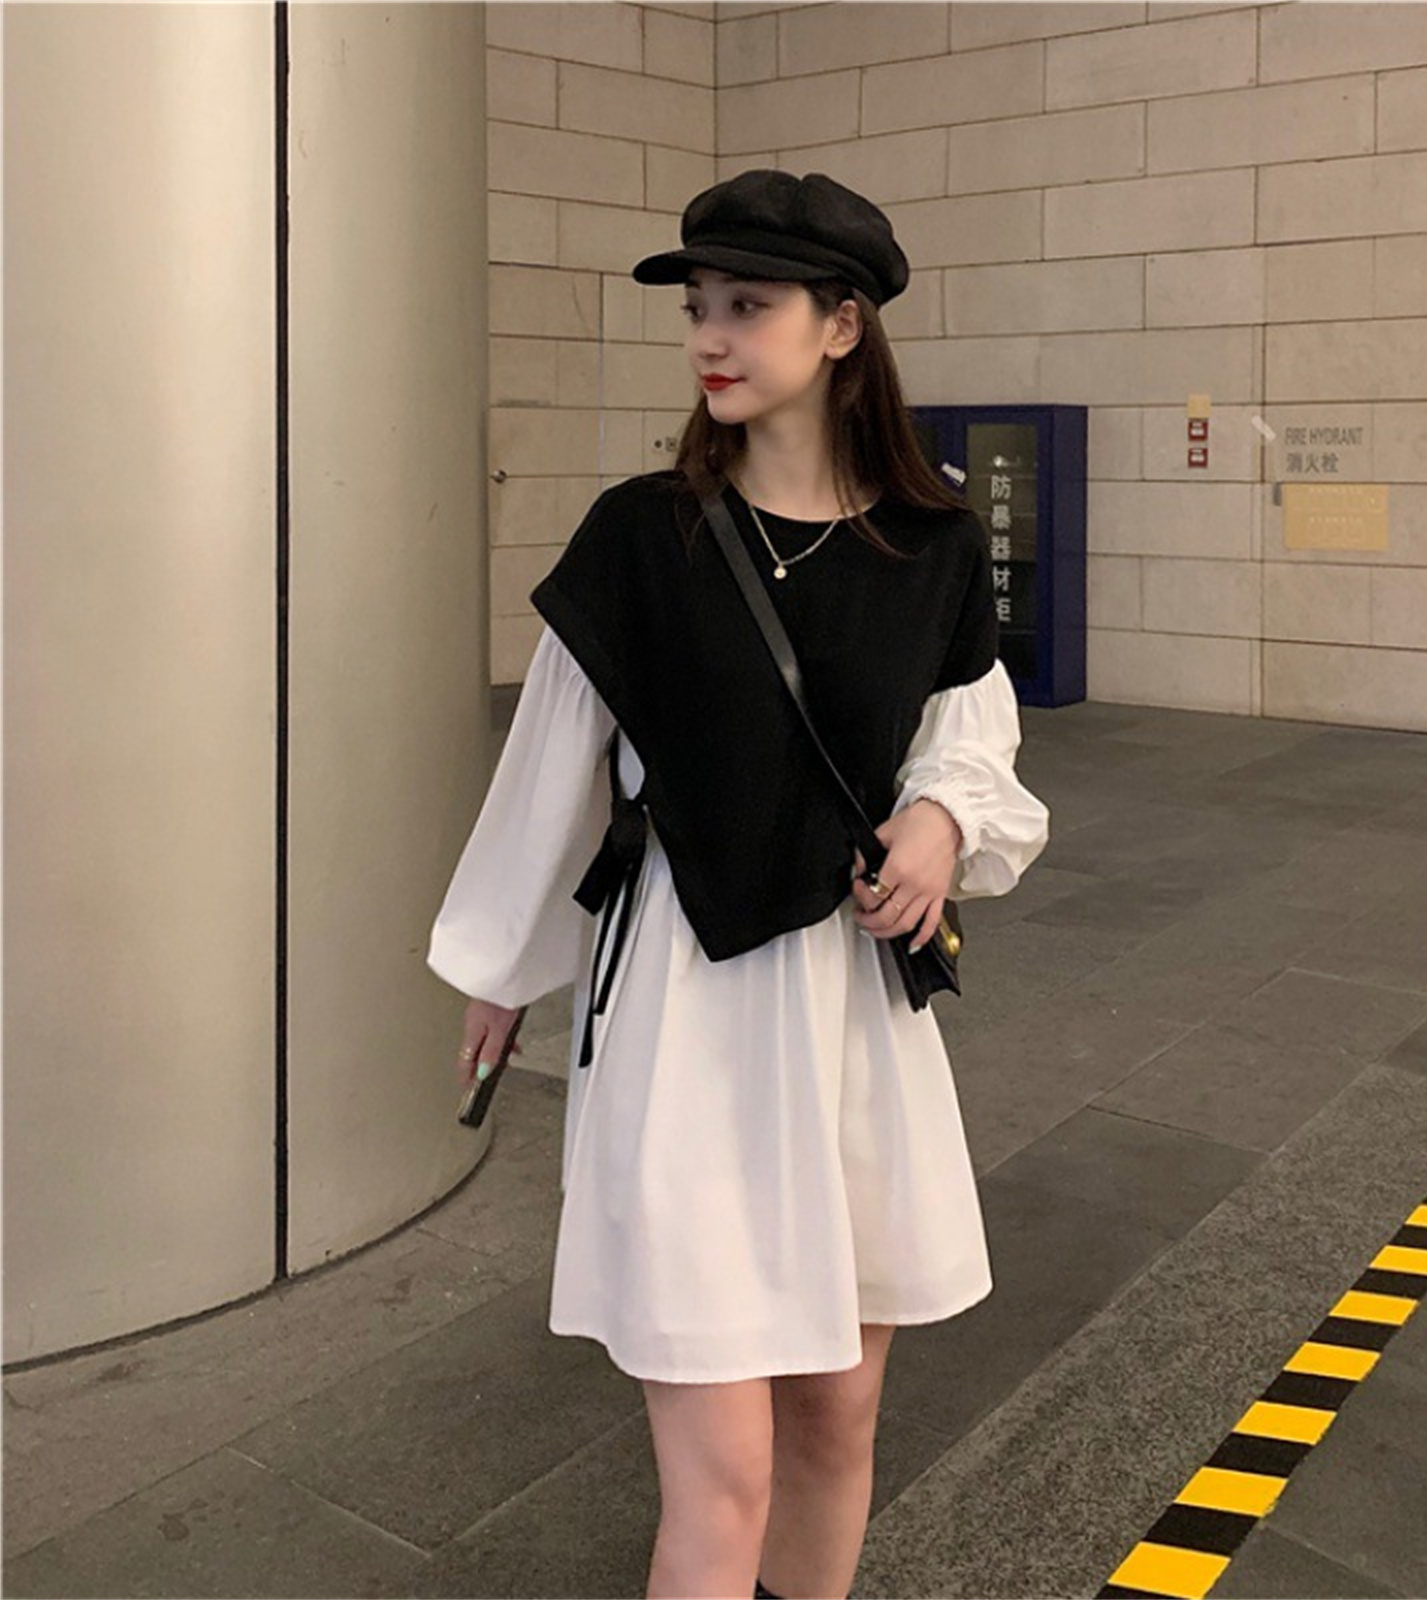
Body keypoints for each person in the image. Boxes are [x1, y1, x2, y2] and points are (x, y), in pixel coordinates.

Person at [426, 168, 1050, 1600]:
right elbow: (552, 762)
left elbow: (973, 742)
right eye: (699, 305)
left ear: (843, 325)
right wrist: (500, 968)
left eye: (747, 305)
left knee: (837, 1420)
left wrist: (942, 822)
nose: (710, 334)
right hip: (683, 1009)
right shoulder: (638, 536)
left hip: (849, 1018)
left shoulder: (933, 545)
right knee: (724, 1474)